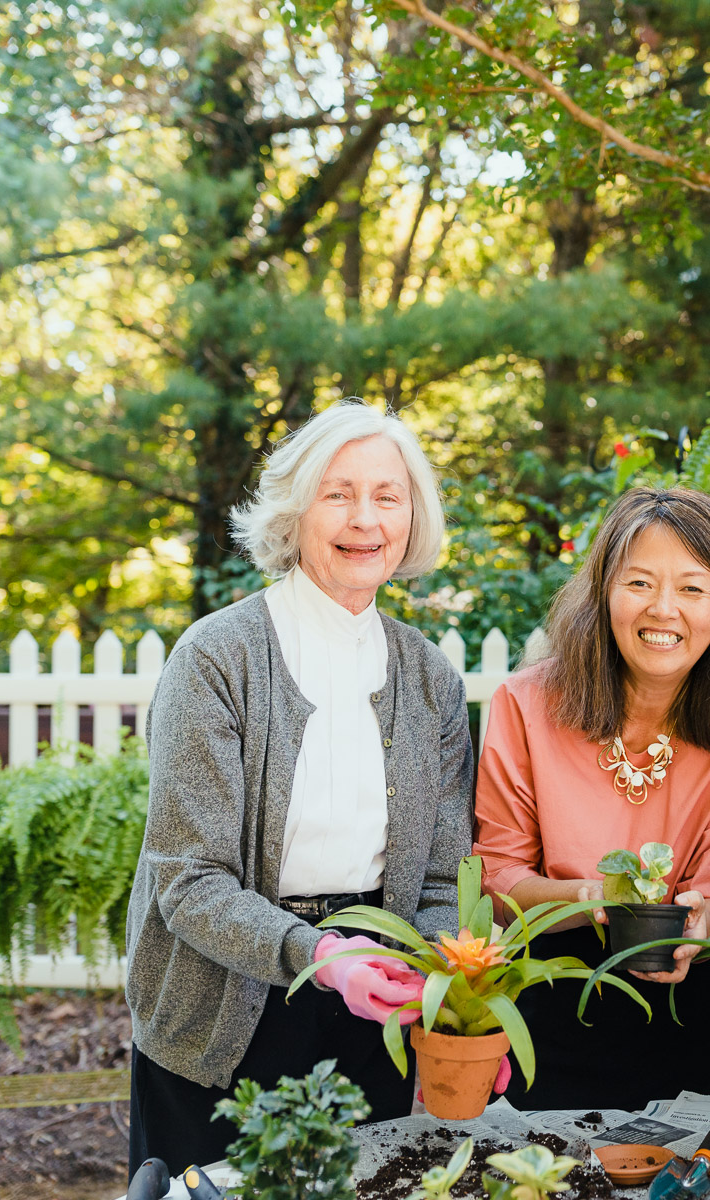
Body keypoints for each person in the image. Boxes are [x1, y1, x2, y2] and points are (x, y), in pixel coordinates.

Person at [123, 402, 474, 1175]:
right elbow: (188, 881)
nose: (365, 519)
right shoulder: (216, 659)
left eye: (388, 496)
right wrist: (320, 956)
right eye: (337, 493)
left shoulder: (432, 682)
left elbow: (446, 877)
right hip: (221, 1006)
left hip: (371, 1002)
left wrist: (444, 1000)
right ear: (294, 509)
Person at [474, 487, 710, 1110]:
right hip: (551, 994)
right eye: (640, 582)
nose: (664, 609)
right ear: (603, 594)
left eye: (693, 588)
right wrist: (593, 899)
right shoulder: (527, 704)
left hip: (685, 1005)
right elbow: (497, 879)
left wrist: (701, 926)